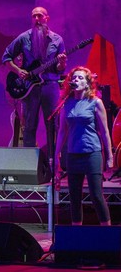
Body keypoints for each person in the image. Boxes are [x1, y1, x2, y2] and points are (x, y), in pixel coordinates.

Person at [2, 6, 67, 159]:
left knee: (53, 125)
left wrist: (62, 64)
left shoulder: (57, 40)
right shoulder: (24, 37)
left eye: (40, 16)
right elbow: (6, 57)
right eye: (34, 16)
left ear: (47, 18)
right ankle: (29, 162)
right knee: (29, 125)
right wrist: (18, 71)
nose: (37, 19)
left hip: (50, 86)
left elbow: (59, 69)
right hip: (30, 89)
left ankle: (53, 163)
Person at [54, 66, 113, 226]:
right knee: (74, 196)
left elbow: (105, 132)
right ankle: (76, 233)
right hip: (73, 154)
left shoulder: (95, 102)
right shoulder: (66, 104)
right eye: (73, 78)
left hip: (92, 153)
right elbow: (61, 132)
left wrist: (110, 156)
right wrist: (56, 155)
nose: (75, 80)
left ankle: (107, 232)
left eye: (80, 78)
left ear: (87, 83)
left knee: (96, 194)